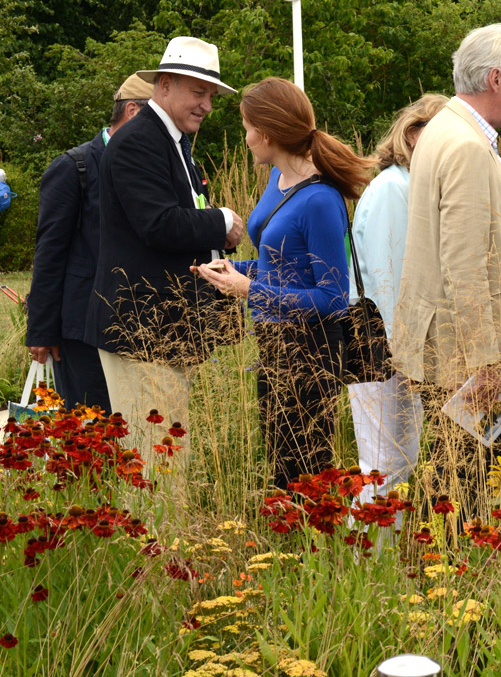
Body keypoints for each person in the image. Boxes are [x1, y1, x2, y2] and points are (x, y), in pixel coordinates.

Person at [394, 24, 501, 517]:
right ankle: (446, 579)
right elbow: (462, 264)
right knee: (463, 485)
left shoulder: (444, 129)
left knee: (450, 474)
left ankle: (435, 573)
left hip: (448, 342)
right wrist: (484, 360)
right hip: (465, 355)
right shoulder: (463, 144)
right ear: (497, 78)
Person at [195, 76, 368, 491]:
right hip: (273, 341)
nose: (246, 135)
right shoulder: (278, 179)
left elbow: (331, 298)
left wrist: (248, 290)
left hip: (311, 351)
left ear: (267, 133)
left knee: (303, 472)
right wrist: (236, 273)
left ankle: (315, 550)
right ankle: (290, 548)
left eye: (246, 126)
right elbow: (284, 266)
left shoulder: (321, 200)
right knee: (279, 464)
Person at [87, 37, 244, 453]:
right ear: (165, 85)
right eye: (198, 92)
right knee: (157, 469)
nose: (207, 105)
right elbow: (158, 224)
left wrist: (217, 237)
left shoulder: (172, 140)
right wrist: (221, 220)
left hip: (163, 332)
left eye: (211, 95)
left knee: (167, 462)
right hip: (141, 332)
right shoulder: (140, 141)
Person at [26, 73, 154, 412]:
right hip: (82, 332)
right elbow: (49, 253)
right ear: (133, 112)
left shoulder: (154, 169)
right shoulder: (74, 167)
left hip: (137, 326)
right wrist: (41, 331)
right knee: (90, 435)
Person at [347, 93, 448, 503]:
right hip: (382, 349)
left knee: (397, 462)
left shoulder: (411, 188)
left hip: (398, 351)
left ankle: (373, 561)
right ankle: (364, 562)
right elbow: (388, 282)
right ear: (412, 134)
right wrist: (406, 355)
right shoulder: (393, 188)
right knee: (384, 467)